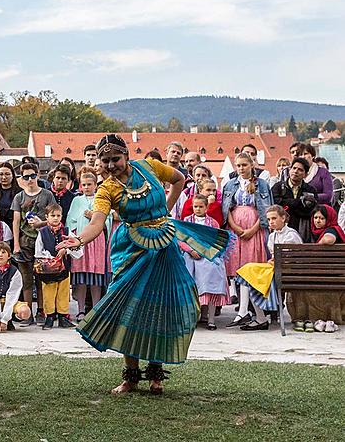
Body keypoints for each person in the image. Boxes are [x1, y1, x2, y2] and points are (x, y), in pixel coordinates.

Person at [58, 134, 231, 395]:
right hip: (132, 249)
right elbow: (97, 222)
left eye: (115, 159)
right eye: (105, 161)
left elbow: (179, 179)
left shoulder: (150, 166)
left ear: (126, 155)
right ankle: (131, 378)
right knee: (130, 308)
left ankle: (156, 376)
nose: (111, 164)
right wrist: (78, 240)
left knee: (160, 308)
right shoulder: (107, 189)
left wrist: (164, 213)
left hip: (164, 247)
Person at [221, 152, 272, 317]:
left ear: (251, 165)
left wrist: (253, 229)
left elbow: (265, 209)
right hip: (236, 228)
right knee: (239, 267)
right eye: (239, 165)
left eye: (244, 165)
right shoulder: (230, 185)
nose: (241, 168)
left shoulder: (262, 184)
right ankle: (243, 310)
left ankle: (250, 310)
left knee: (250, 267)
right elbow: (226, 208)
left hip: (254, 228)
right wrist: (235, 227)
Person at [234, 205, 300, 332]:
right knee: (246, 273)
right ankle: (252, 315)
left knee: (249, 271)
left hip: (288, 272)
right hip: (276, 268)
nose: (271, 222)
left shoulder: (291, 235)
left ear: (284, 218)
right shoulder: (272, 236)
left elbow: (291, 258)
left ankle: (251, 315)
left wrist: (275, 261)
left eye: (274, 218)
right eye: (269, 219)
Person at [11, 162, 57, 325]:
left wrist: (41, 223)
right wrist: (16, 244)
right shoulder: (19, 197)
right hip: (24, 241)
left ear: (37, 175)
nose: (30, 179)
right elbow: (16, 221)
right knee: (26, 279)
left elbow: (55, 218)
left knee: (42, 277)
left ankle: (41, 312)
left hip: (43, 242)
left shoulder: (47, 195)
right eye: (26, 177)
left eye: (32, 176)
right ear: (22, 179)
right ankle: (27, 313)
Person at [67, 169, 112, 322]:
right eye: (84, 184)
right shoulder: (77, 201)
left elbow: (108, 219)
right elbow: (70, 220)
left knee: (95, 276)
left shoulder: (101, 199)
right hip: (80, 240)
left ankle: (95, 309)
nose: (86, 187)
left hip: (97, 241)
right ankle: (80, 310)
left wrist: (93, 216)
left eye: (89, 184)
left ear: (95, 185)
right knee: (81, 277)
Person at [181, 194, 229, 330]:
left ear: (206, 207)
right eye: (195, 206)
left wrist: (205, 251)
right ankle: (192, 318)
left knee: (214, 271)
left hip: (207, 255)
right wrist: (190, 250)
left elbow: (215, 240)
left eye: (201, 207)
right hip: (191, 255)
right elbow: (181, 239)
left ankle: (211, 319)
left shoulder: (212, 223)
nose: (198, 209)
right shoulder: (187, 221)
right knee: (189, 277)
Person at [35, 203, 82, 329]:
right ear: (47, 216)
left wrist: (66, 250)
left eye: (58, 215)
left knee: (63, 292)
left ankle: (62, 317)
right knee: (49, 293)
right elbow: (38, 251)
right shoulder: (42, 232)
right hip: (48, 271)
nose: (55, 218)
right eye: (52, 215)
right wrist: (51, 258)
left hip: (64, 269)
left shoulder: (67, 232)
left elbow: (78, 248)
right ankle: (49, 317)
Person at [301, 205, 345, 333]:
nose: (317, 221)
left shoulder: (332, 229)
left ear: (329, 219)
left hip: (333, 273)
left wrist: (316, 247)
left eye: (321, 218)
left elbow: (329, 239)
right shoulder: (315, 232)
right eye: (315, 217)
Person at [270, 157, 317, 243]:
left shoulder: (310, 190)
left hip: (303, 229)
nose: (295, 171)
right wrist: (299, 202)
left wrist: (287, 204)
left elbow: (310, 211)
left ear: (305, 174)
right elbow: (275, 206)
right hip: (281, 230)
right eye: (294, 168)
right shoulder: (278, 187)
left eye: (300, 170)